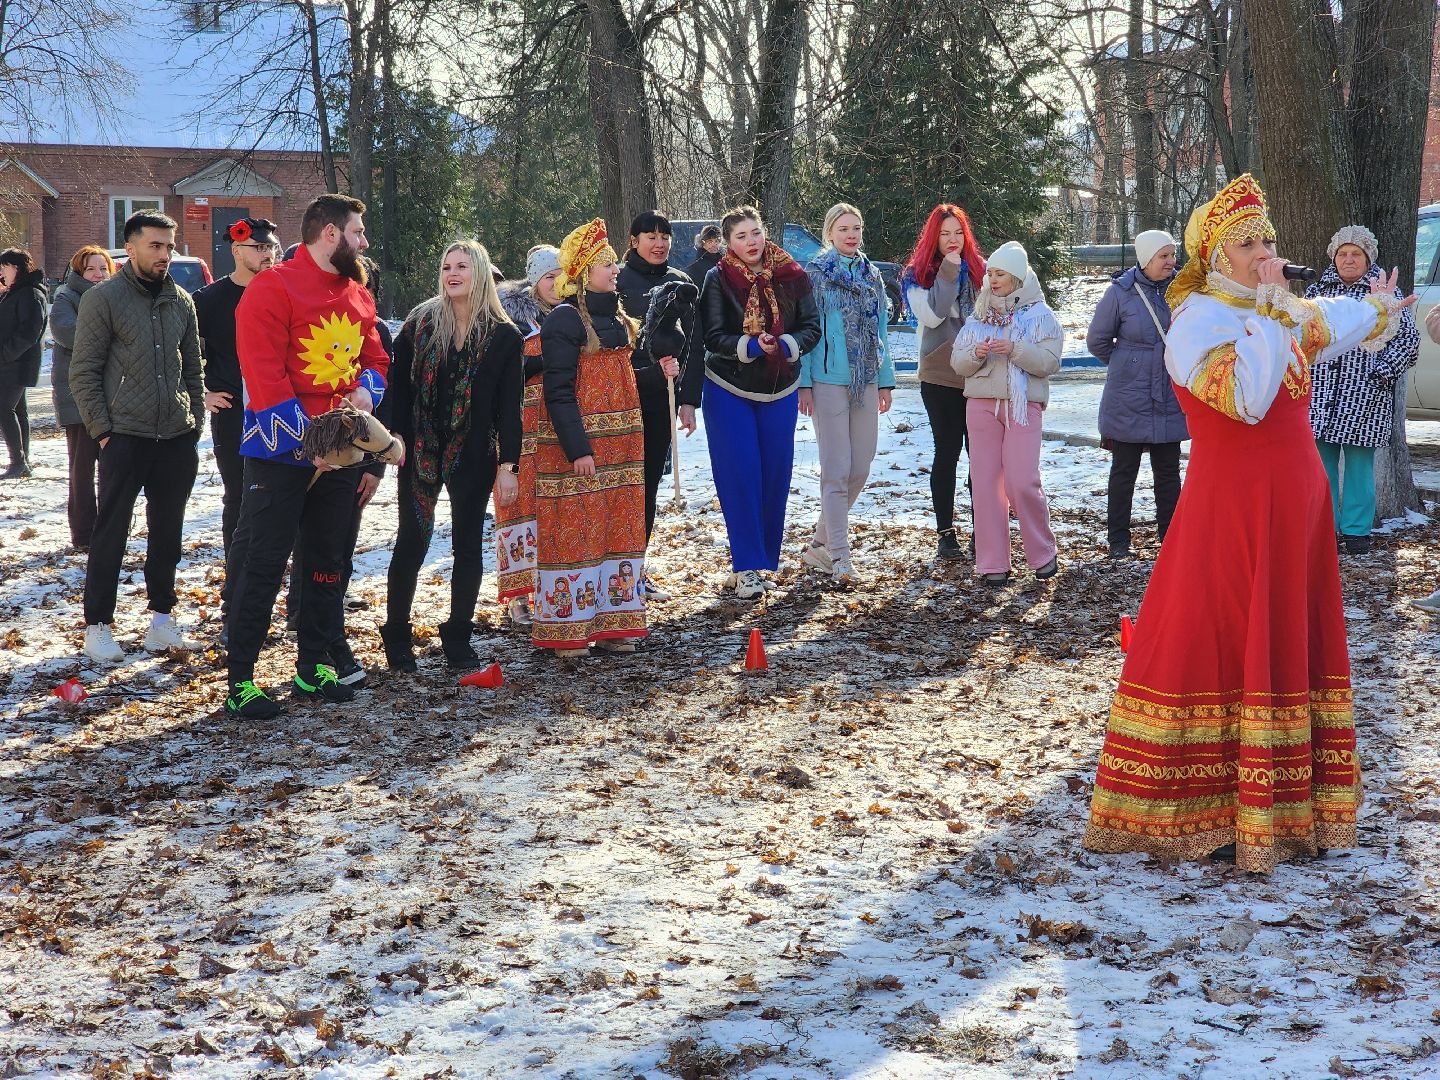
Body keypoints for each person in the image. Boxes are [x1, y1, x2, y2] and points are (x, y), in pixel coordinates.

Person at [1084, 173, 1413, 872]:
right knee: (1227, 631)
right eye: (1248, 242)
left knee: (1287, 630)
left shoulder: (1278, 307)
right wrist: (1273, 313)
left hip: (1296, 502)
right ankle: (1220, 809)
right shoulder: (1198, 321)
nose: (1264, 251)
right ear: (1215, 253)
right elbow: (1250, 401)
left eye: (1268, 238)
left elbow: (1340, 320)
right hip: (1231, 505)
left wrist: (1376, 308)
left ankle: (1294, 808)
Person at [224, 193, 391, 718]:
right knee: (264, 560)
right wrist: (308, 444)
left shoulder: (357, 293)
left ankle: (313, 666)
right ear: (330, 235)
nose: (364, 242)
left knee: (326, 559)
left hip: (342, 449)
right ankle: (242, 679)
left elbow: (376, 357)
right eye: (358, 232)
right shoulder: (270, 289)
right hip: (279, 454)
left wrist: (367, 390)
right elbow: (264, 373)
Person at [69, 212, 204, 664]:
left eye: (169, 246)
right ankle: (98, 625)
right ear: (130, 247)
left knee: (168, 533)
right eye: (156, 246)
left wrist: (195, 422)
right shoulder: (103, 299)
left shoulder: (181, 300)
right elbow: (84, 371)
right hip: (124, 436)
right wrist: (103, 431)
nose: (165, 254)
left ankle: (162, 621)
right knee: (111, 531)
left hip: (176, 437)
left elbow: (193, 370)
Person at [381, 240, 522, 672]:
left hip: (473, 453)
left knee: (466, 546)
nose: (452, 273)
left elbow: (509, 407)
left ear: (479, 272)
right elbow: (398, 388)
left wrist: (508, 465)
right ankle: (397, 635)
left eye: (461, 265)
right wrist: (393, 438)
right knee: (412, 540)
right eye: (446, 266)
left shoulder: (503, 335)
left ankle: (458, 634)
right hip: (419, 450)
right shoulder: (420, 323)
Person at [682, 205, 821, 599]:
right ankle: (746, 567)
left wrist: (788, 344)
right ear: (727, 243)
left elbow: (811, 326)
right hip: (729, 389)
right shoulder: (717, 278)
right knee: (742, 474)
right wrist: (749, 346)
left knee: (774, 476)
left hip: (780, 388)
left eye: (755, 233)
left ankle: (761, 561)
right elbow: (712, 336)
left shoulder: (793, 274)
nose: (751, 242)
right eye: (741, 236)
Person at [532, 218, 648, 655]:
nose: (615, 269)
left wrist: (660, 371)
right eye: (606, 263)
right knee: (577, 529)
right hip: (580, 451)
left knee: (619, 528)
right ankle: (569, 630)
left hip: (623, 448)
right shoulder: (565, 319)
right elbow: (557, 390)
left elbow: (625, 378)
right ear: (582, 272)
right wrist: (577, 448)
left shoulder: (618, 316)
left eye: (614, 262)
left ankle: (616, 622)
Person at [950, 241, 1061, 585]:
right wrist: (977, 354)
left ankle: (1043, 553)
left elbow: (1049, 362)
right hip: (981, 405)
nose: (993, 280)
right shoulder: (979, 314)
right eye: (991, 273)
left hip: (1022, 405)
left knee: (1021, 480)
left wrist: (1015, 349)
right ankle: (992, 563)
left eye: (1000, 274)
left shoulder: (1040, 315)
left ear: (1016, 276)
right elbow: (958, 362)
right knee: (985, 485)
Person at [1305, 225, 1419, 556]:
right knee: (1319, 468)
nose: (1349, 259)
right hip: (1320, 397)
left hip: (1365, 396)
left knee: (1358, 466)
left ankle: (1356, 534)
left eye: (1356, 254)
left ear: (1368, 258)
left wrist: (1381, 373)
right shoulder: (1315, 295)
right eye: (1343, 253)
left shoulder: (1385, 294)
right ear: (1333, 257)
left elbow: (1408, 342)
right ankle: (1324, 530)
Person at [798, 202, 894, 584]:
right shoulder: (816, 276)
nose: (851, 235)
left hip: (866, 380)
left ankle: (819, 546)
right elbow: (807, 333)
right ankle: (840, 557)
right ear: (830, 234)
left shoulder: (872, 276)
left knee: (861, 468)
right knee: (836, 471)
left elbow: (881, 332)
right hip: (827, 382)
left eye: (856, 228)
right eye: (843, 229)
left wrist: (885, 380)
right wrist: (804, 383)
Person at [1086, 229, 1188, 559]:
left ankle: (1171, 537)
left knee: (1169, 471)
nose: (1171, 262)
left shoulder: (1182, 291)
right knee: (1124, 470)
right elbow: (1097, 341)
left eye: (1173, 255)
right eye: (1164, 256)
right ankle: (1118, 541)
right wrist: (1129, 362)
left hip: (1170, 391)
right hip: (1129, 394)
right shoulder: (1120, 293)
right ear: (1145, 259)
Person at [193, 218, 280, 569]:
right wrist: (201, 392)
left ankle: (270, 570)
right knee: (239, 495)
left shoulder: (282, 291)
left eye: (271, 247)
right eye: (258, 248)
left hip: (278, 408)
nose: (268, 254)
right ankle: (238, 574)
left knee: (278, 495)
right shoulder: (210, 299)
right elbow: (175, 352)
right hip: (231, 412)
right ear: (236, 250)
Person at [901, 204, 986, 560]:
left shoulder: (981, 270)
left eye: (958, 233)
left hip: (980, 374)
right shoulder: (916, 275)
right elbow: (935, 313)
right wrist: (950, 270)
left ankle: (985, 528)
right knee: (947, 452)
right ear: (932, 238)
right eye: (944, 234)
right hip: (939, 376)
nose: (952, 241)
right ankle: (946, 532)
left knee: (980, 458)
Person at [616, 211, 689, 552]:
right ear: (634, 241)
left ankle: (636, 566)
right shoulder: (617, 281)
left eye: (665, 236)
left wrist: (689, 399)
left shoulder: (681, 281)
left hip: (663, 398)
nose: (659, 244)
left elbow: (696, 342)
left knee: (648, 483)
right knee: (621, 483)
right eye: (651, 236)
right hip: (620, 397)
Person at [496, 244, 562, 625]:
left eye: (560, 276)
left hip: (558, 427)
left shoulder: (574, 314)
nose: (555, 284)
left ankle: (552, 586)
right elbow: (507, 371)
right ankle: (518, 596)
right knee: (517, 507)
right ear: (535, 281)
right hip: (518, 425)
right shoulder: (515, 319)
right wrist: (543, 361)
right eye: (548, 277)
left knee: (553, 509)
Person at [49, 246, 114, 547]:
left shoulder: (117, 296)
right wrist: (113, 335)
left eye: (103, 268)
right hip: (78, 395)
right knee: (82, 467)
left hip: (114, 396)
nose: (98, 275)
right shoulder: (66, 297)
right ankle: (84, 533)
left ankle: (110, 528)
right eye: (90, 269)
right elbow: (69, 334)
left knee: (114, 467)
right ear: (79, 272)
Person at [0, 248, 47, 479]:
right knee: (18, 411)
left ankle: (18, 462)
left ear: (15, 268)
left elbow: (30, 332)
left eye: (4, 267)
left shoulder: (30, 293)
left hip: (16, 363)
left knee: (4, 409)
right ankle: (22, 460)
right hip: (10, 362)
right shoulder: (14, 292)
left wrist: (5, 354)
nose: (1, 272)